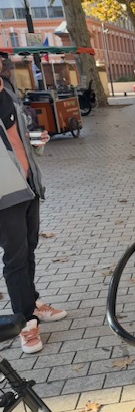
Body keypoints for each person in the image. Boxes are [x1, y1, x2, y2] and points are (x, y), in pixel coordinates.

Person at [0, 55, 67, 354]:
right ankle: (25, 322)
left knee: (29, 247)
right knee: (15, 257)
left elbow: (17, 136)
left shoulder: (7, 89)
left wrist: (35, 140)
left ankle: (32, 303)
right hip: (4, 193)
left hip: (28, 183)